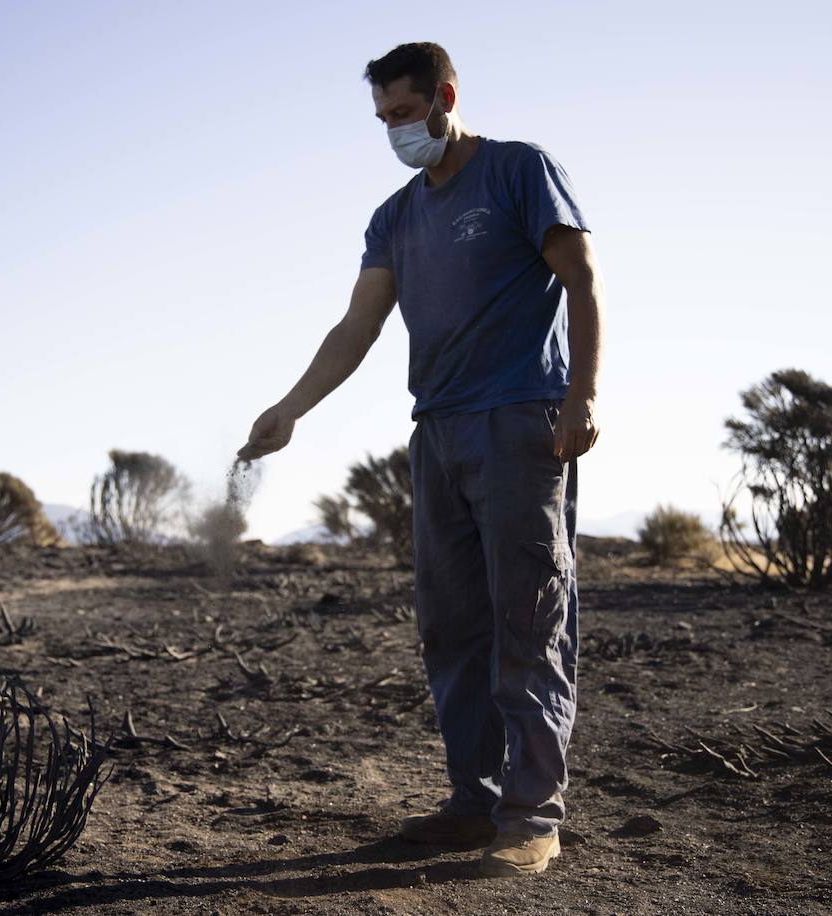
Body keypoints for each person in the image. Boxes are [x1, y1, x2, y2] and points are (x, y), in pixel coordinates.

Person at [237, 41, 604, 879]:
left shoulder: (518, 170)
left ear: (444, 95)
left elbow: (582, 277)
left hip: (520, 421)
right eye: (384, 121)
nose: (396, 131)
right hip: (435, 432)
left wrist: (582, 395)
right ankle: (472, 803)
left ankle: (532, 819)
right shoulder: (396, 215)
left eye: (405, 113)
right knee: (452, 626)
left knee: (529, 619)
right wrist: (288, 410)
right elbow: (356, 328)